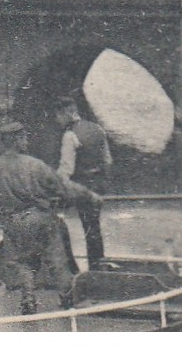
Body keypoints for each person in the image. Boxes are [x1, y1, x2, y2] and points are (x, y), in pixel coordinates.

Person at [0, 121, 100, 315]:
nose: (26, 141)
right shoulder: (34, 165)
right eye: (24, 138)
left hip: (14, 221)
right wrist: (89, 195)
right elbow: (61, 187)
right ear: (18, 140)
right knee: (57, 260)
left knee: (23, 262)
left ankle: (29, 299)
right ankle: (67, 298)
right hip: (41, 218)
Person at [53, 97, 112, 266]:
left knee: (60, 221)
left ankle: (71, 266)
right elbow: (107, 160)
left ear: (66, 114)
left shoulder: (69, 135)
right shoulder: (97, 129)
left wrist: (54, 186)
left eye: (58, 116)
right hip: (97, 185)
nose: (57, 121)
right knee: (93, 227)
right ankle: (97, 264)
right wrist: (103, 183)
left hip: (81, 187)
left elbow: (66, 170)